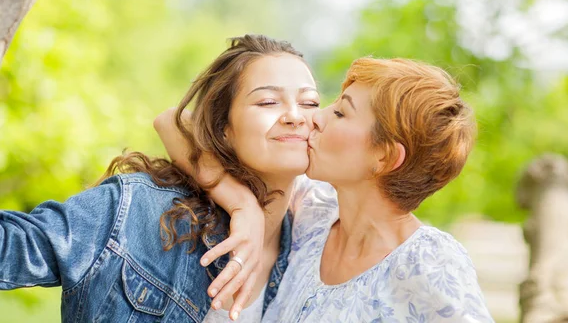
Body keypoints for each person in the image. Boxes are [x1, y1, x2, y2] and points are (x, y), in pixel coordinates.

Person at [0, 34, 320, 322]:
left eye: (310, 103)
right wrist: (241, 202)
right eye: (267, 101)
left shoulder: (318, 231)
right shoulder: (138, 211)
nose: (295, 116)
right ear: (223, 129)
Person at [157, 57, 495, 322]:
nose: (316, 117)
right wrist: (242, 204)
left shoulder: (429, 262)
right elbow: (172, 120)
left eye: (341, 112)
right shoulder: (315, 214)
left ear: (385, 156)